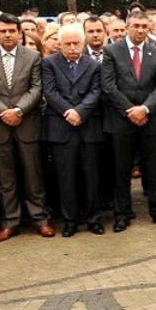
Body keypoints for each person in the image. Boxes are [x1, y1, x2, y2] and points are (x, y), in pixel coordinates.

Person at [102, 11, 156, 231]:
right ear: (127, 26)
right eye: (136, 26)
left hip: (151, 119)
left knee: (154, 168)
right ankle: (122, 213)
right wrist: (130, 111)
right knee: (121, 170)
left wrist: (144, 109)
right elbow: (108, 86)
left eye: (144, 26)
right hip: (121, 121)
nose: (140, 30)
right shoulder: (112, 51)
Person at [41, 24, 105, 236]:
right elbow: (50, 91)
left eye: (76, 43)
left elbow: (96, 92)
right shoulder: (49, 63)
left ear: (83, 43)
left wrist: (80, 112)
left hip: (88, 127)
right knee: (66, 177)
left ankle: (94, 218)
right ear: (59, 44)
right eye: (67, 44)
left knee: (92, 175)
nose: (72, 48)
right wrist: (69, 111)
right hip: (61, 127)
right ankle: (70, 220)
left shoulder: (94, 65)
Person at [0, 13, 51, 240]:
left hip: (27, 124)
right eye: (3, 31)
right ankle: (11, 221)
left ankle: (40, 219)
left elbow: (37, 89)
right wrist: (5, 112)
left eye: (12, 31)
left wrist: (18, 110)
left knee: (34, 176)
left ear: (20, 33)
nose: (8, 35)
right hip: (1, 126)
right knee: (5, 178)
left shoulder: (32, 57)